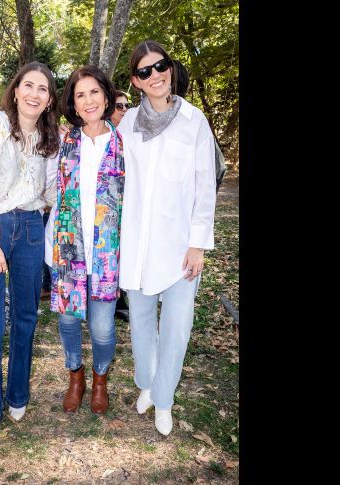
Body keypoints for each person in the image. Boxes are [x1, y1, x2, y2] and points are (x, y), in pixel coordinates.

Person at [116, 40, 217, 436]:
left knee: (176, 326)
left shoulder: (194, 121)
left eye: (160, 66)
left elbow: (205, 186)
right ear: (135, 82)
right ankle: (147, 383)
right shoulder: (126, 126)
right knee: (141, 320)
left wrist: (198, 244)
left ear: (170, 69)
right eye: (145, 71)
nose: (155, 75)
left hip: (180, 246)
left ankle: (164, 398)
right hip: (137, 243)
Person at [0, 61, 61, 437]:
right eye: (29, 86)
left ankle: (18, 391)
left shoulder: (48, 141)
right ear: (16, 90)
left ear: (49, 100)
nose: (35, 94)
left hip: (32, 228)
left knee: (25, 316)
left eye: (43, 89)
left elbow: (50, 192)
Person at [44, 65, 124, 415]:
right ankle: (75, 377)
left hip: (108, 252)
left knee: (104, 328)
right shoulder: (63, 142)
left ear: (106, 96)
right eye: (80, 95)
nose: (88, 100)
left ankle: (101, 379)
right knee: (67, 321)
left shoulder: (125, 142)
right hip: (66, 249)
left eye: (94, 92)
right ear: (72, 104)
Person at [108, 90, 133, 323]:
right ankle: (115, 301)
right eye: (119, 106)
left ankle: (122, 297)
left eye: (127, 105)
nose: (124, 110)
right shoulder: (105, 136)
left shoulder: (132, 135)